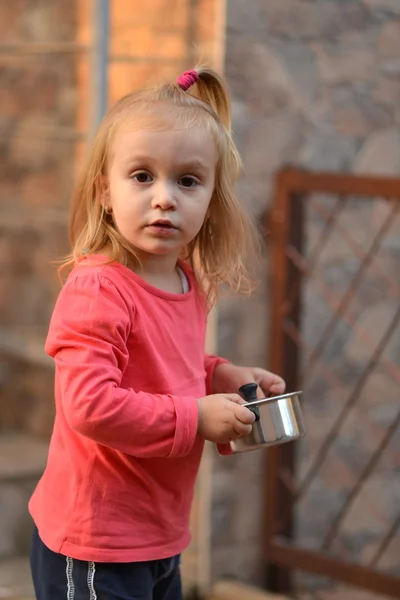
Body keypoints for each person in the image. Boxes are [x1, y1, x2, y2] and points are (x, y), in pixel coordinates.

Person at [29, 67, 285, 600]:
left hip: (158, 534)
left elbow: (167, 363)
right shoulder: (99, 288)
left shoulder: (185, 281)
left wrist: (220, 375)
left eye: (187, 181)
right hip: (96, 541)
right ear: (105, 191)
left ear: (212, 199)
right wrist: (195, 418)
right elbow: (89, 405)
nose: (165, 197)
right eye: (142, 176)